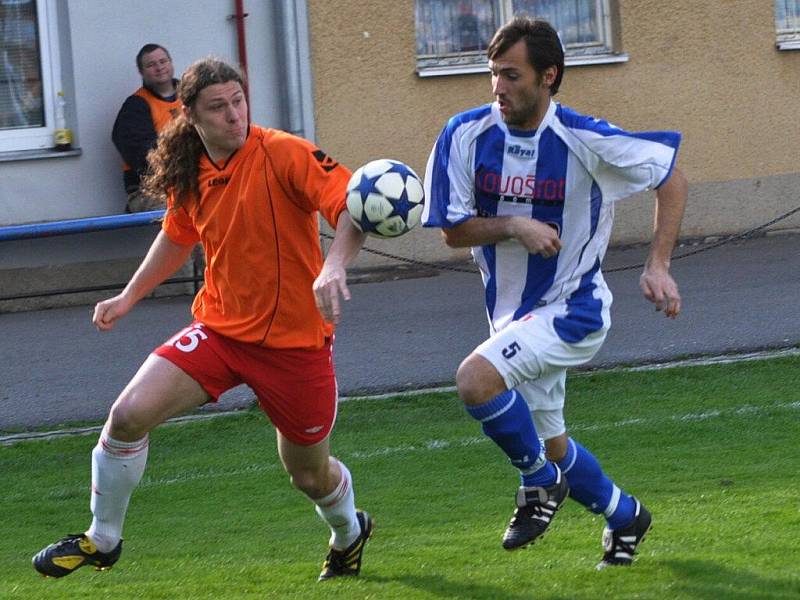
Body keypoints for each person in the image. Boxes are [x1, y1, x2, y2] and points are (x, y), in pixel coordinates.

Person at [33, 57, 372, 582]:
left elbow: (352, 208)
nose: (234, 115)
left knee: (308, 475)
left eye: (239, 101)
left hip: (295, 345)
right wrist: (127, 298)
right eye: (218, 107)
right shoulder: (190, 172)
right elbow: (176, 236)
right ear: (190, 115)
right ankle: (102, 539)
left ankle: (349, 533)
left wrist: (333, 266)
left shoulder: (285, 152)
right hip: (218, 332)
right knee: (126, 416)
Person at [422, 17, 687, 569]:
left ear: (549, 76)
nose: (498, 87)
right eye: (493, 74)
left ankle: (539, 486)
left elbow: (670, 176)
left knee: (475, 380)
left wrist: (658, 265)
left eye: (512, 75)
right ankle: (625, 515)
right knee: (554, 443)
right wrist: (516, 225)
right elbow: (452, 230)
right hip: (512, 319)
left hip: (573, 312)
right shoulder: (464, 134)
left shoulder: (582, 136)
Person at [112, 44, 181, 213]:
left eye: (163, 61)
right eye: (151, 65)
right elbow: (145, 158)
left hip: (197, 182)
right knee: (185, 209)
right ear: (141, 72)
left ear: (171, 63)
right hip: (149, 191)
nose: (159, 68)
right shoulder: (135, 107)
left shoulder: (192, 96)